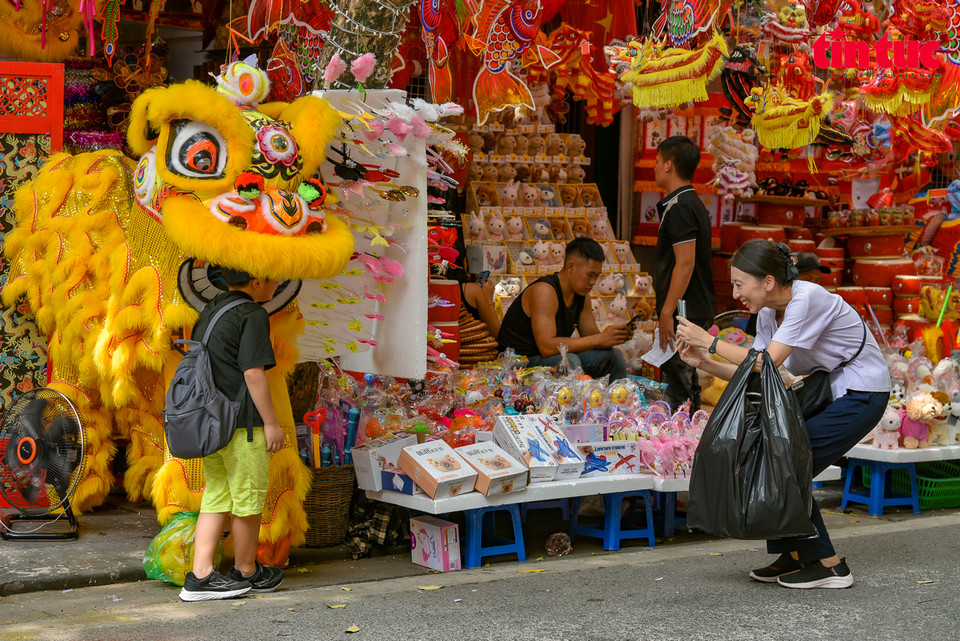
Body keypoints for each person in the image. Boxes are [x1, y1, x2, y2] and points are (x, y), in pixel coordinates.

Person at [675, 239, 889, 589]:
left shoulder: (807, 298)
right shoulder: (766, 315)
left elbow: (767, 361)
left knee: (788, 462)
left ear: (768, 281)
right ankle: (792, 553)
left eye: (739, 284)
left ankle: (829, 565)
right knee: (772, 454)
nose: (735, 293)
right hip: (831, 389)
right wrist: (705, 363)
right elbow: (757, 371)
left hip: (863, 391)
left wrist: (709, 341)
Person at [179, 268, 286, 601]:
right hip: (242, 426)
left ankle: (200, 576)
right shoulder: (252, 313)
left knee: (217, 497)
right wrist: (271, 423)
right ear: (257, 281)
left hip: (212, 422)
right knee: (247, 501)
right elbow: (253, 374)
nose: (277, 281)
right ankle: (246, 570)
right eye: (273, 277)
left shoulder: (213, 308)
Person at [497, 237, 632, 380]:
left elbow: (591, 337)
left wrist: (614, 337)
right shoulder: (545, 291)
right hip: (517, 365)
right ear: (571, 267)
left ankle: (620, 399)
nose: (593, 282)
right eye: (590, 275)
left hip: (549, 359)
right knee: (569, 362)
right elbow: (547, 347)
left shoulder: (582, 294)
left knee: (613, 356)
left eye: (597, 276)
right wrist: (599, 339)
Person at [653, 135, 715, 412]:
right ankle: (692, 435)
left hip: (684, 308)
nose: (654, 167)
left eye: (656, 161)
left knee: (677, 384)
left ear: (668, 165)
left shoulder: (681, 206)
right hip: (689, 306)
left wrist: (667, 312)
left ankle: (680, 443)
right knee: (687, 378)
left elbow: (685, 263)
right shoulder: (690, 203)